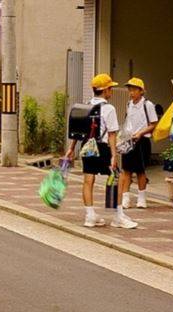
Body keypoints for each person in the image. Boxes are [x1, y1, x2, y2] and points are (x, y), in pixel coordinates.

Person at [65, 74, 138, 229]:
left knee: (88, 180)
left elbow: (79, 132)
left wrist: (71, 149)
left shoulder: (85, 106)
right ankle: (118, 216)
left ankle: (90, 216)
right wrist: (113, 155)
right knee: (115, 179)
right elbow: (112, 134)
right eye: (110, 88)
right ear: (105, 90)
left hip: (87, 146)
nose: (111, 91)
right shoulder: (109, 109)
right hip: (102, 147)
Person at [119, 78, 158, 209]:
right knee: (126, 170)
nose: (131, 92)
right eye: (130, 89)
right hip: (129, 140)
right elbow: (127, 121)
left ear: (142, 91)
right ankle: (126, 198)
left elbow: (153, 124)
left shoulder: (148, 105)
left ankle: (141, 198)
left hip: (142, 141)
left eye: (134, 89)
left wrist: (140, 133)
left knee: (141, 171)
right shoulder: (129, 104)